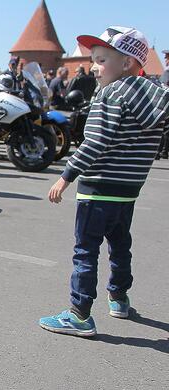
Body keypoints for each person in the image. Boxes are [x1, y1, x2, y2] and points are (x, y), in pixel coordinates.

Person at [40, 27, 169, 337]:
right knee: (120, 245)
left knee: (86, 251)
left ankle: (80, 314)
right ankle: (119, 298)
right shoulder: (155, 98)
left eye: (100, 60)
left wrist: (66, 175)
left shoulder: (110, 95)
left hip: (97, 190)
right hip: (127, 193)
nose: (93, 67)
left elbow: (95, 142)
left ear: (127, 63)